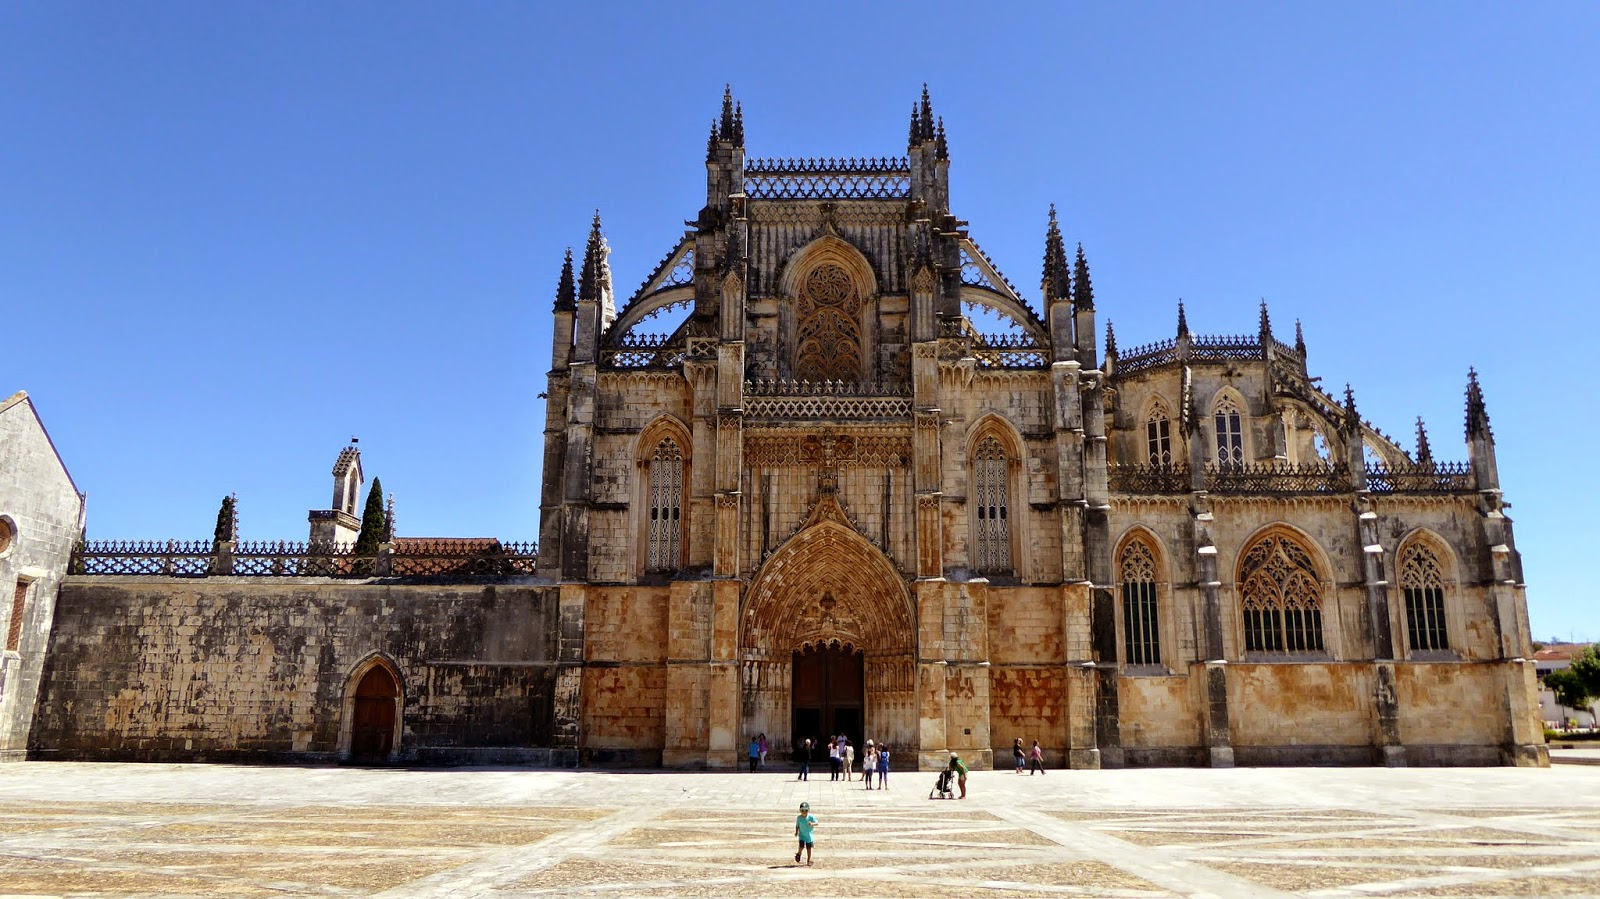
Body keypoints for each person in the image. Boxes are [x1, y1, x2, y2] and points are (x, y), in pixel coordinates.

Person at [794, 801, 818, 866]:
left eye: (806, 810)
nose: (804, 812)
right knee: (801, 846)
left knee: (809, 848)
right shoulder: (799, 818)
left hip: (809, 836)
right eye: (802, 810)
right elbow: (797, 825)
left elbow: (817, 823)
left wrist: (812, 824)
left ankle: (809, 860)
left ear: (808, 810)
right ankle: (799, 853)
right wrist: (796, 832)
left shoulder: (811, 817)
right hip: (802, 835)